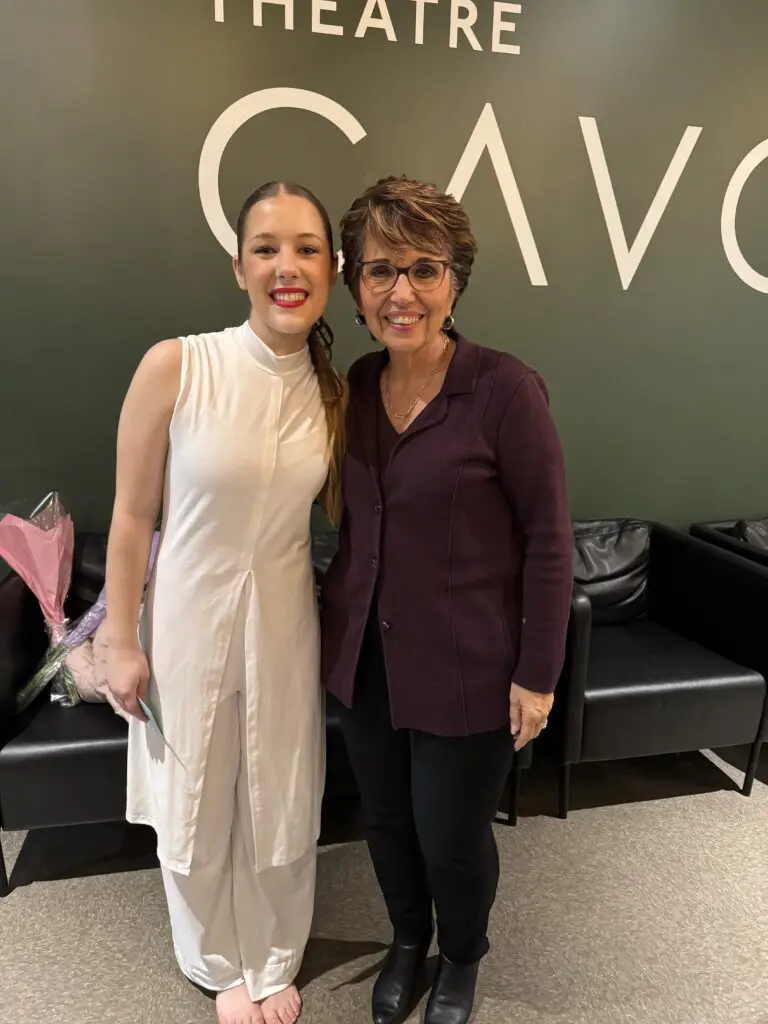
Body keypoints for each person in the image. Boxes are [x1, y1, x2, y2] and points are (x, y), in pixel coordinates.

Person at [320, 176, 574, 1024]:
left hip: (468, 667)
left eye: (425, 269)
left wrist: (538, 674)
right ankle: (406, 939)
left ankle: (462, 955)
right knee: (386, 824)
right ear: (356, 287)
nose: (403, 292)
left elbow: (547, 538)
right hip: (365, 662)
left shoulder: (504, 391)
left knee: (452, 838)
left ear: (455, 282)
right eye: (382, 270)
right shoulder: (351, 389)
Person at [105, 181, 345, 1024]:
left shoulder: (332, 392)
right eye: (268, 248)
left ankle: (275, 953)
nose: (288, 266)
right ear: (238, 265)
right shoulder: (178, 362)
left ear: (332, 266)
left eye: (307, 248)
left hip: (285, 623)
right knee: (197, 790)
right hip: (186, 621)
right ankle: (215, 962)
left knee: (280, 789)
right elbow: (133, 515)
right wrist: (119, 639)